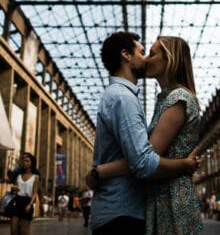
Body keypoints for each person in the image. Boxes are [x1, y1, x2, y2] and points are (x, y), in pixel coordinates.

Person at [85, 31, 200, 235]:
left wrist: (100, 171)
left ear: (170, 60)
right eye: (142, 51)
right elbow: (143, 160)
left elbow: (142, 158)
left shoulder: (174, 98)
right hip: (124, 210)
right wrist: (184, 165)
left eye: (151, 53)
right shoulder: (125, 98)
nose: (146, 58)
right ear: (126, 55)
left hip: (164, 202)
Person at [5, 153, 41, 235]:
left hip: (27, 202)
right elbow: (16, 189)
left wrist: (30, 204)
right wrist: (13, 188)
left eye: (27, 161)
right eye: (24, 161)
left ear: (32, 163)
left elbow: (35, 193)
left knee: (23, 231)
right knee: (13, 230)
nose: (24, 162)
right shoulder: (18, 176)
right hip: (17, 201)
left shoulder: (35, 177)